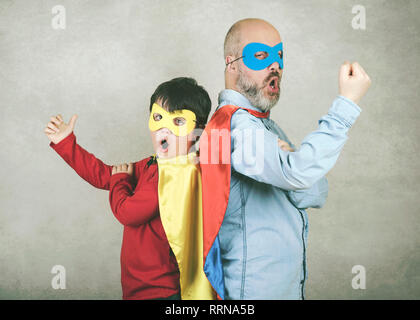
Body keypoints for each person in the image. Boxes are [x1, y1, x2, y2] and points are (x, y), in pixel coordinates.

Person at [200, 18, 371, 299]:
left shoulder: (264, 127)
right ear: (231, 64)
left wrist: (293, 167)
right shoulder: (235, 126)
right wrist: (346, 105)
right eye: (260, 55)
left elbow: (314, 193)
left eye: (279, 56)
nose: (275, 65)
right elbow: (299, 175)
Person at [44, 77, 214, 300]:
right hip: (141, 287)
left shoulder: (176, 175)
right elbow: (106, 176)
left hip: (160, 291)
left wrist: (121, 180)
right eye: (158, 118)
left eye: (179, 122)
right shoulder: (156, 164)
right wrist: (66, 142)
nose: (165, 130)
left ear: (199, 130)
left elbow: (127, 211)